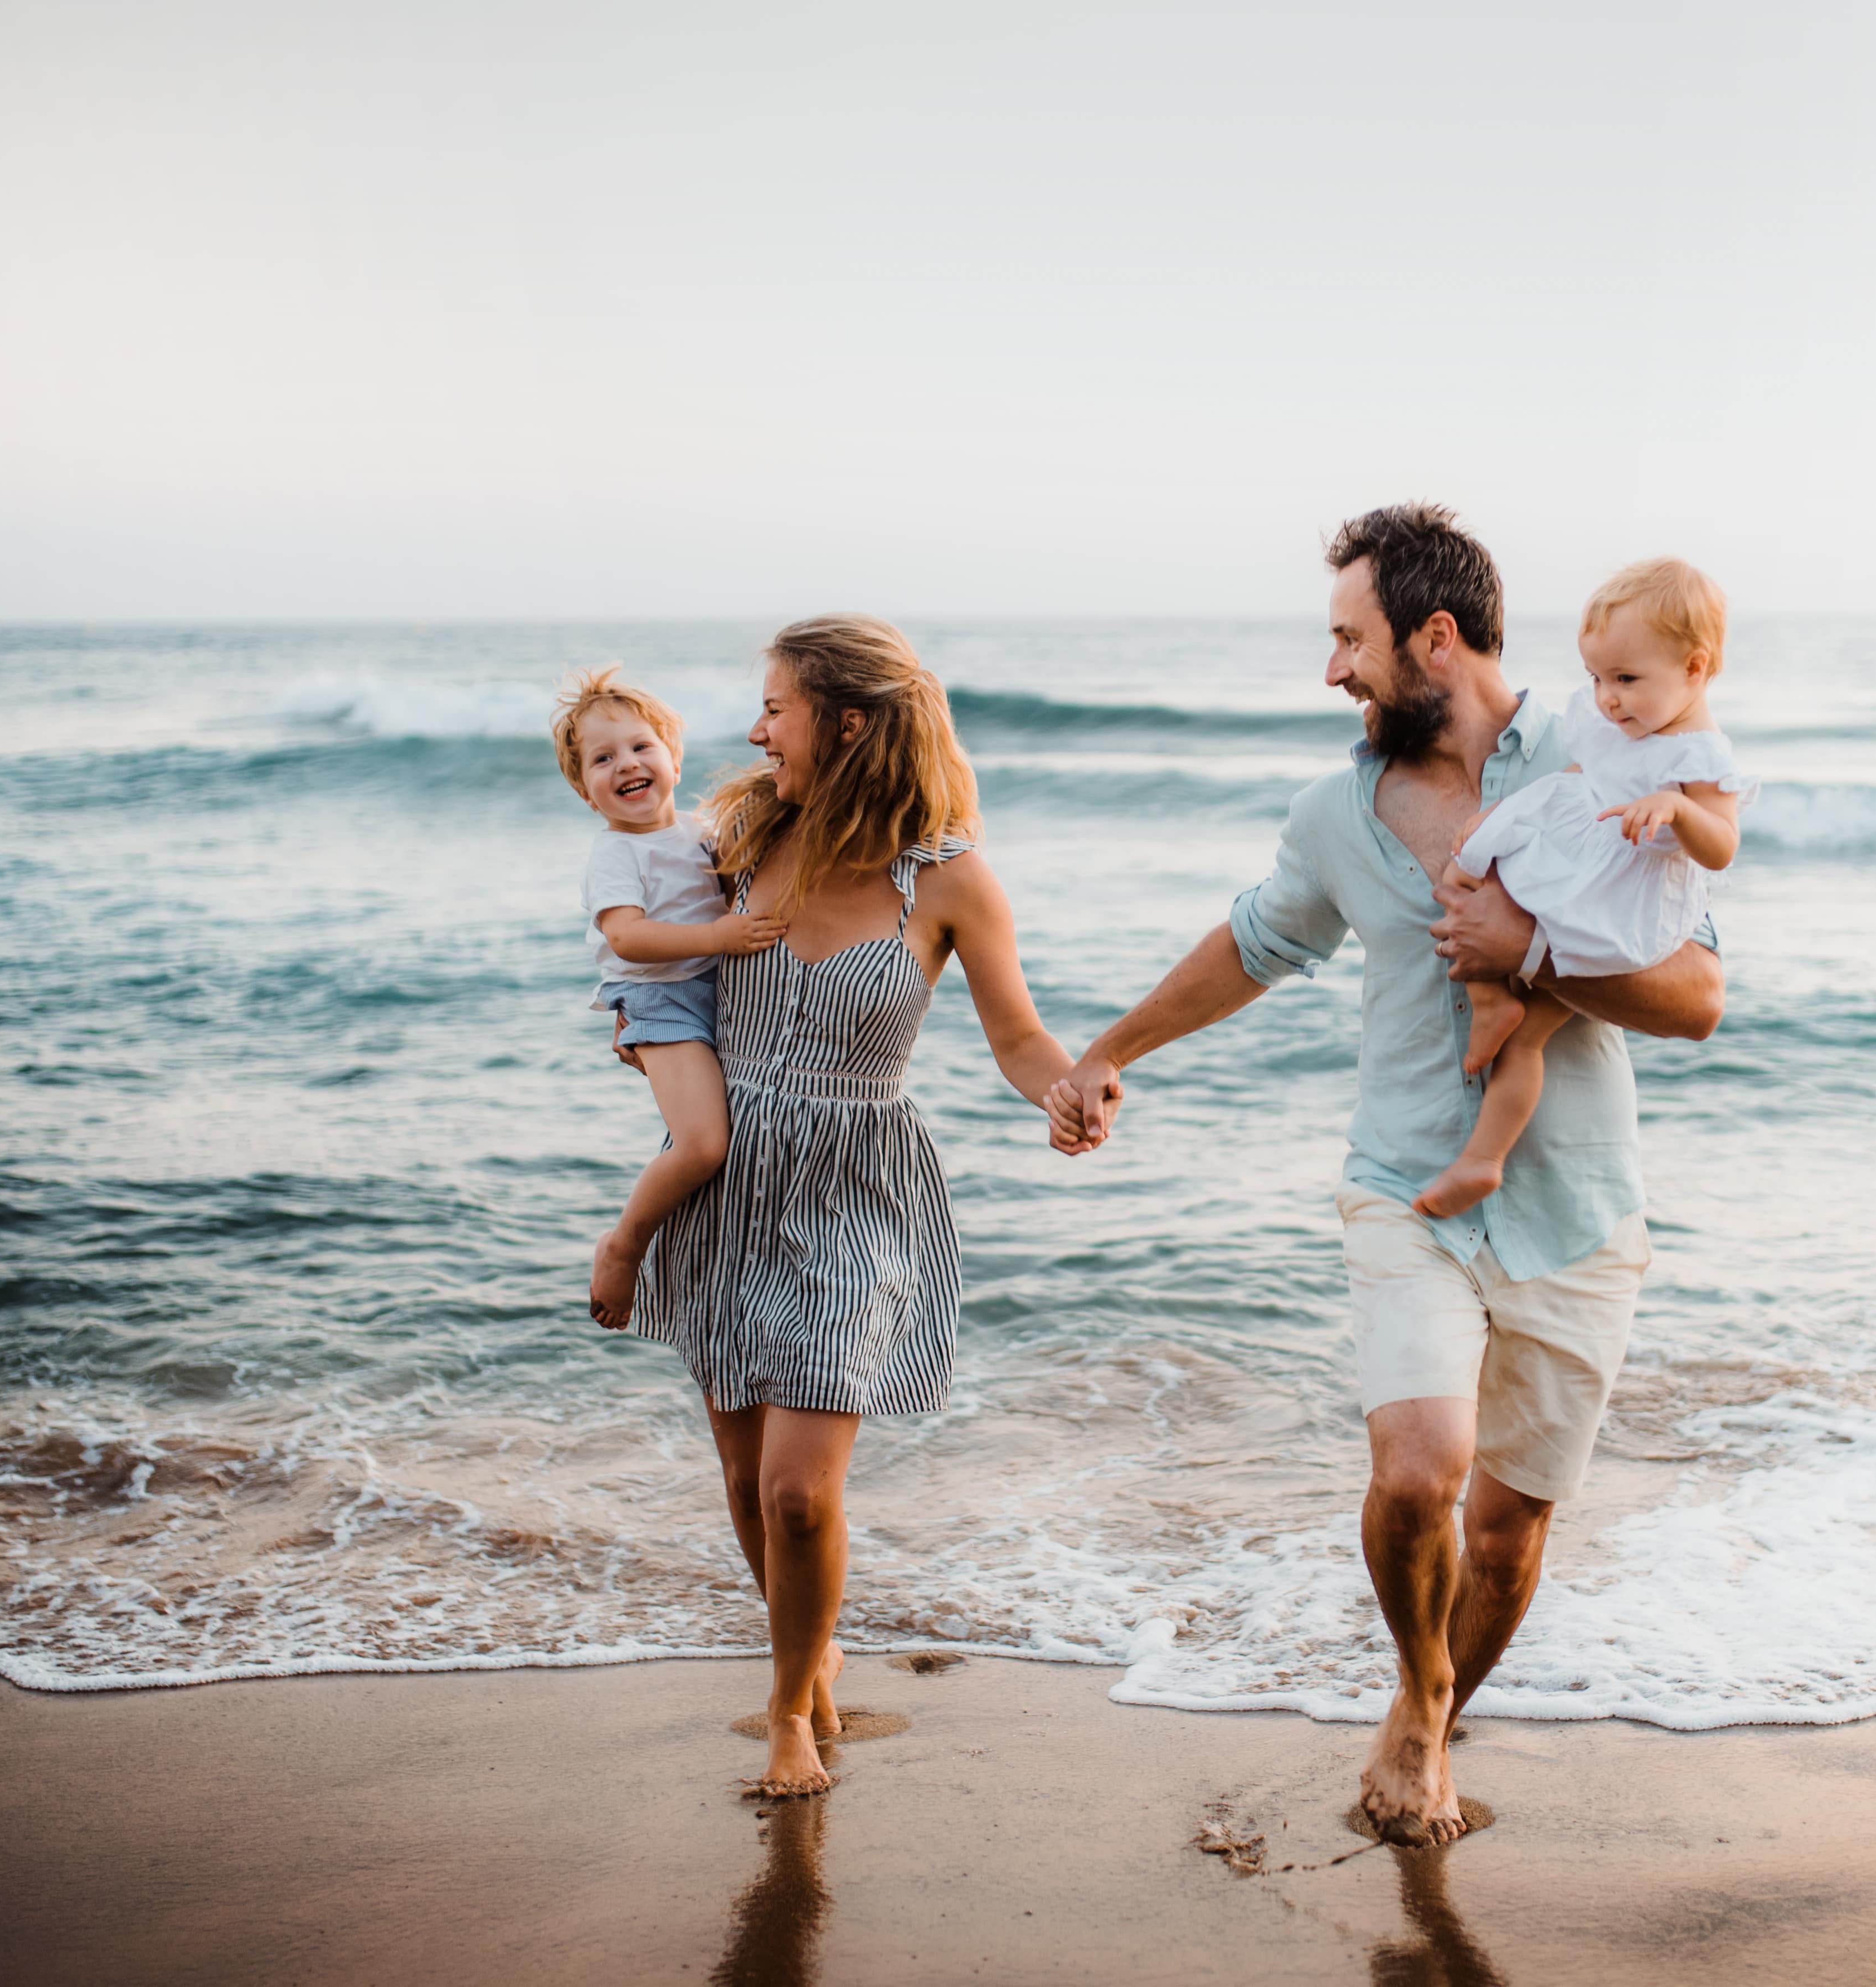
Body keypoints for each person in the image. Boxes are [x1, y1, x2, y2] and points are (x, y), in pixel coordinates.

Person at [1046, 505, 1726, 1846]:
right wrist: (1108, 1050)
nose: (1333, 671)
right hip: (1406, 1183)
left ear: (1435, 637)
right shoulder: (1334, 812)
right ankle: (1418, 1703)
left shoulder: (1606, 752)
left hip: (1580, 1200)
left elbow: (1698, 997)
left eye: (1350, 639)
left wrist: (1531, 954)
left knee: (1511, 1531)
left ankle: (1432, 1711)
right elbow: (1255, 943)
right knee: (1421, 1473)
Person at [619, 615, 1081, 1798]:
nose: (756, 727)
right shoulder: (739, 842)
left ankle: (789, 1713)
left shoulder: (950, 879)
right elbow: (646, 961)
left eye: (776, 706)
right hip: (727, 1179)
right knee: (738, 1479)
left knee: (795, 1487)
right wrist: (640, 1037)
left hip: (858, 1183)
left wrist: (1066, 1085)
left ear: (849, 720)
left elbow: (1017, 1037)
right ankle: (807, 1657)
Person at [1412, 558, 1755, 1216]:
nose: (1607, 698)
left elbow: (1722, 849)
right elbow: (1587, 770)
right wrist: (1519, 812)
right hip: (1580, 847)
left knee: (1529, 1028)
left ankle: (1482, 1153)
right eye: (1596, 678)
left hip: (1621, 898)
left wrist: (1679, 810)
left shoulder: (1702, 756)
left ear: (1694, 668)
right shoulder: (1617, 721)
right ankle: (1488, 1031)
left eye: (1625, 680)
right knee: (1465, 869)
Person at [555, 668, 789, 1331]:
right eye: (602, 760)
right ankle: (625, 1245)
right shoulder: (614, 856)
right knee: (703, 1146)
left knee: (730, 1143)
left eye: (640, 748)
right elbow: (626, 936)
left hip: (717, 991)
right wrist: (717, 934)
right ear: (583, 791)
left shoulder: (701, 832)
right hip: (662, 1001)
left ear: (674, 760)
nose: (625, 765)